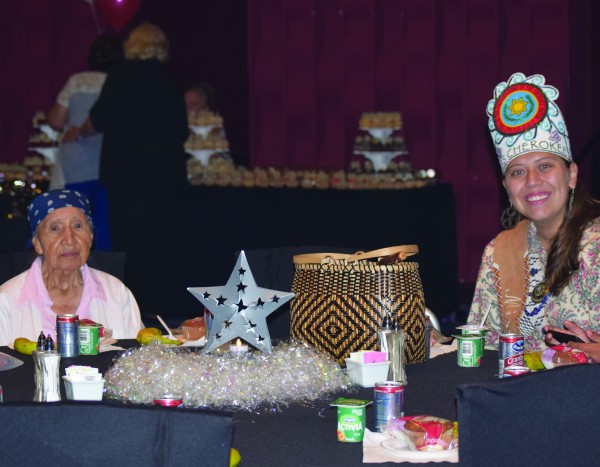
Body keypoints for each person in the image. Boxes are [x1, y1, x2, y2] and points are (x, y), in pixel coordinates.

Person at [467, 72, 600, 352]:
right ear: (506, 187)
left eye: (544, 166)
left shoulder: (595, 247)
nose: (531, 181)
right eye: (518, 172)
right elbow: (484, 352)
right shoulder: (498, 253)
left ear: (572, 175)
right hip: (520, 393)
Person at [66, 23, 189, 317]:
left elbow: (99, 118)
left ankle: (128, 305)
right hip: (164, 175)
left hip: (126, 173)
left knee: (127, 239)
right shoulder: (169, 79)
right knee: (160, 240)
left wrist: (79, 132)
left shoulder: (120, 75)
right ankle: (162, 307)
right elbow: (181, 130)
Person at [0, 190, 143, 346]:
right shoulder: (7, 300)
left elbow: (140, 360)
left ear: (91, 237)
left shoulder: (117, 293)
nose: (69, 239)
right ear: (38, 244)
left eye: (77, 226)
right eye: (55, 228)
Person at [47, 34, 123, 251]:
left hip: (76, 163)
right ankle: (106, 278)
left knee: (71, 226)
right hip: (109, 162)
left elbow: (56, 121)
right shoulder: (119, 83)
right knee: (104, 230)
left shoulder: (77, 81)